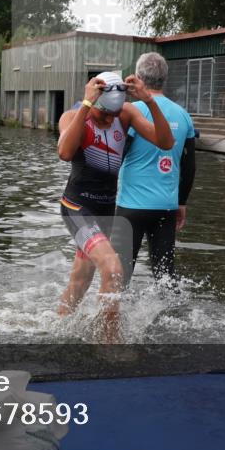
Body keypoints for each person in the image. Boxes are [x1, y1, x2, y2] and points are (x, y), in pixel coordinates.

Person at [56, 70, 174, 342]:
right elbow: (64, 153)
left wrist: (150, 102)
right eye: (104, 114)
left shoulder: (127, 113)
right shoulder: (73, 116)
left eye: (114, 114)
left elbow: (166, 142)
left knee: (81, 280)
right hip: (77, 208)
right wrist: (86, 107)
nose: (110, 120)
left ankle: (58, 328)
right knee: (113, 268)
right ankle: (110, 344)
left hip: (106, 210)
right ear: (95, 101)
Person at [112, 53, 197, 292]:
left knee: (119, 278)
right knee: (165, 276)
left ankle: (113, 325)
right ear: (165, 79)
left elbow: (117, 156)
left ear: (138, 78)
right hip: (166, 206)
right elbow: (189, 165)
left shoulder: (130, 110)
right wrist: (182, 202)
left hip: (131, 207)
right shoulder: (183, 115)